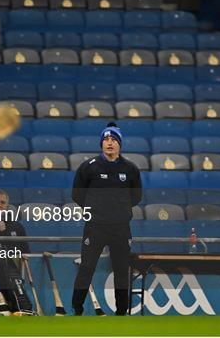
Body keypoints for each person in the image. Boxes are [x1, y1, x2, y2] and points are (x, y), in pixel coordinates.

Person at [71, 122, 142, 316]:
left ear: (120, 144)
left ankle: (121, 313)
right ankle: (76, 309)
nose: (109, 143)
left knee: (121, 270)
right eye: (106, 139)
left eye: (113, 140)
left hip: (121, 228)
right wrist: (96, 210)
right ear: (101, 143)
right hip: (95, 227)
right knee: (86, 268)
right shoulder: (89, 167)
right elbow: (77, 195)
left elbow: (136, 197)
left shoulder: (130, 169)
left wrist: (118, 211)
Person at [0, 189, 30, 254]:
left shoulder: (17, 226)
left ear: (7, 206)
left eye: (3, 202)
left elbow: (26, 251)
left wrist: (25, 258)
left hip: (12, 263)